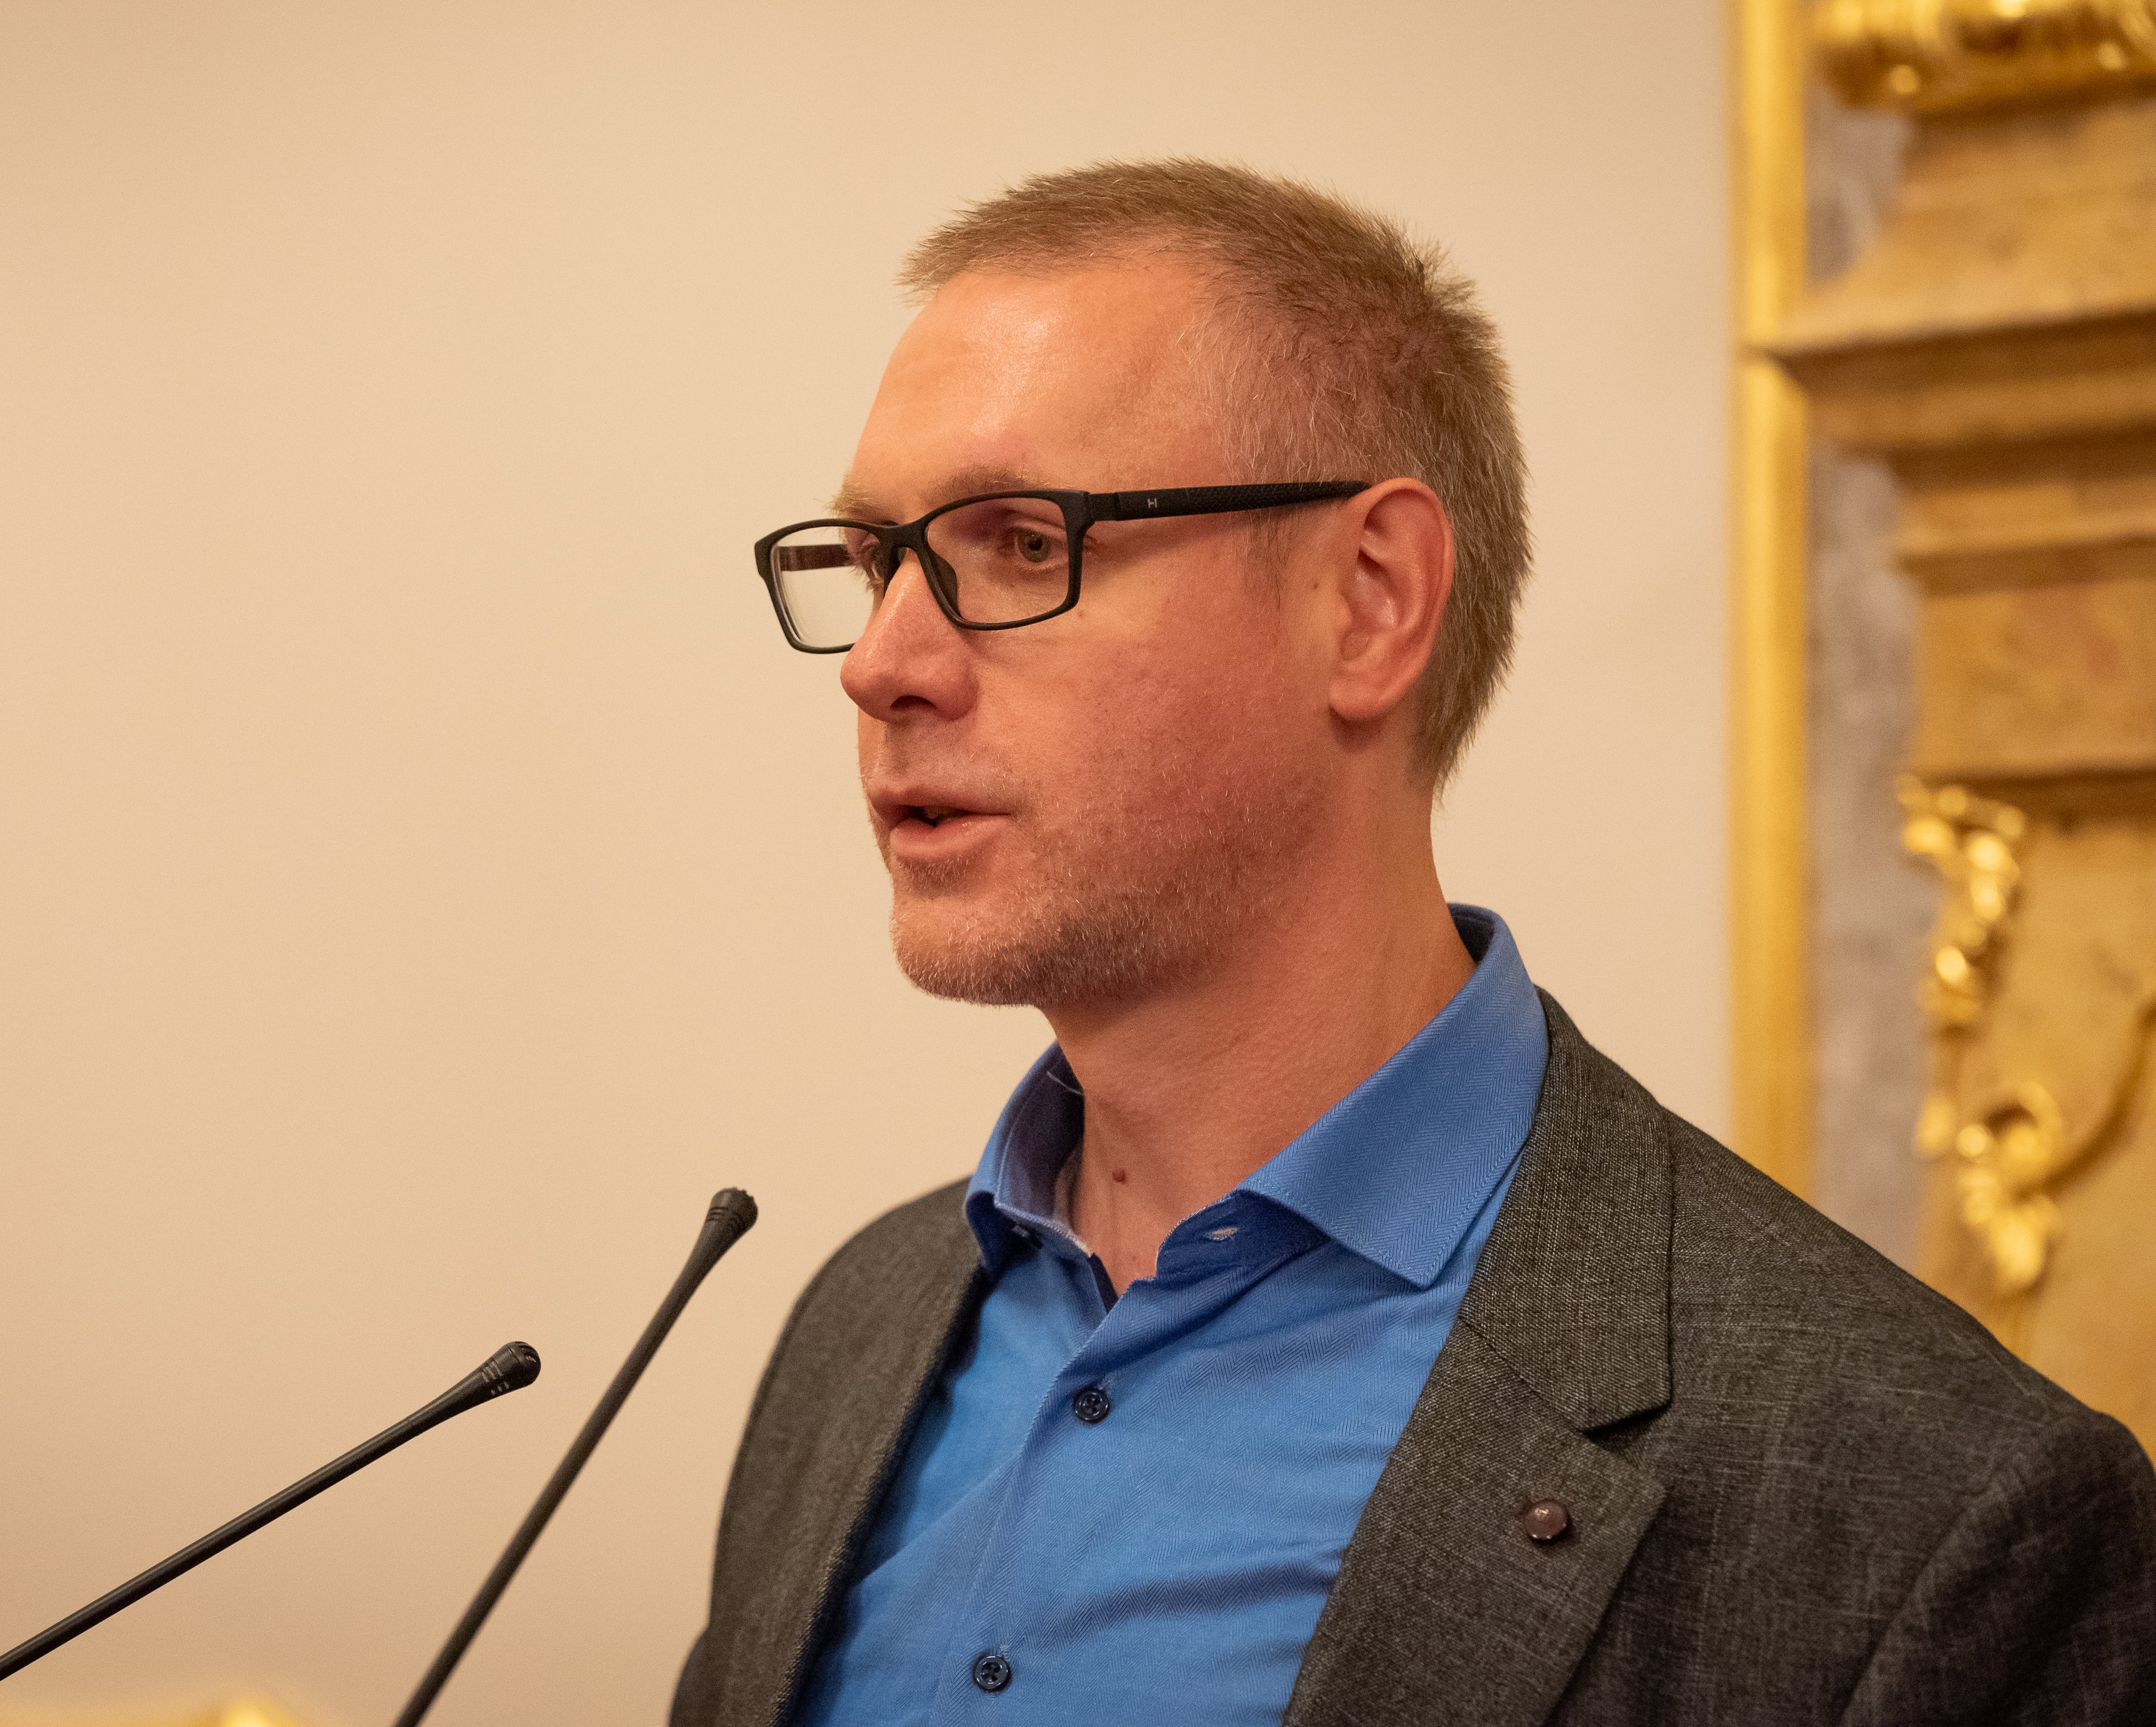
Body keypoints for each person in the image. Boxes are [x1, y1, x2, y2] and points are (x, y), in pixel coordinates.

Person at [672, 159, 2156, 1727]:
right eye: (874, 561)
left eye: (1023, 544)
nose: (882, 663)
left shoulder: (1926, 1508)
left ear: (1370, 601)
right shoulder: (858, 1323)